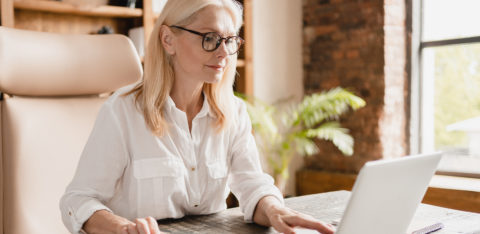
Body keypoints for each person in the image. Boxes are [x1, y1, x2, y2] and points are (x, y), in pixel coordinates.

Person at [60, 0, 335, 233]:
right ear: (168, 40)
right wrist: (123, 228)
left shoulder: (234, 113)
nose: (223, 53)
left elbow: (252, 183)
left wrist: (274, 209)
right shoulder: (122, 111)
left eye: (229, 40)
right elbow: (77, 201)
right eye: (210, 39)